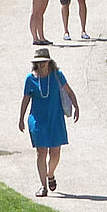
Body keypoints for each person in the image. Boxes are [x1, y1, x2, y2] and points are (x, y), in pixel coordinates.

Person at [18, 47, 80, 196]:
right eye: (39, 63)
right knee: (41, 152)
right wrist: (21, 119)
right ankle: (43, 186)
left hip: (55, 118)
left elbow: (69, 91)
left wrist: (76, 107)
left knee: (55, 153)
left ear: (49, 62)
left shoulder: (57, 75)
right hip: (37, 120)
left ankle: (50, 173)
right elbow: (25, 99)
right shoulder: (30, 79)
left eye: (45, 62)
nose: (42, 65)